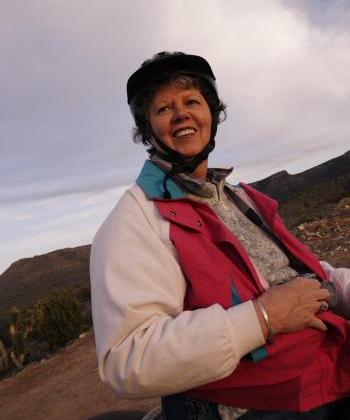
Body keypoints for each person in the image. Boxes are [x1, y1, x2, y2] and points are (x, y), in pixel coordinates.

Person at [90, 52, 350, 420]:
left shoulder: (240, 198)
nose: (181, 113)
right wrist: (262, 318)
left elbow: (299, 273)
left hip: (329, 367)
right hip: (258, 405)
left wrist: (338, 288)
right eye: (164, 108)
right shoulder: (136, 219)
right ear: (148, 131)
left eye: (192, 101)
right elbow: (127, 359)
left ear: (210, 115)